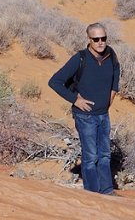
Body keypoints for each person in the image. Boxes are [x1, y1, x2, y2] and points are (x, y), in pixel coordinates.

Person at [48, 23, 120, 195]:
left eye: (103, 38)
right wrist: (75, 100)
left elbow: (115, 75)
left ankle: (107, 190)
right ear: (89, 40)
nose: (101, 43)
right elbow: (55, 81)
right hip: (85, 117)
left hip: (103, 115)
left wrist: (112, 94)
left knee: (104, 155)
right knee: (90, 157)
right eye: (96, 39)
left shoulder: (111, 55)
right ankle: (92, 194)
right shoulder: (80, 59)